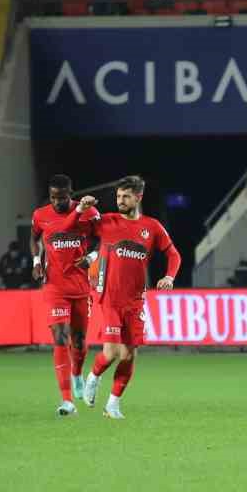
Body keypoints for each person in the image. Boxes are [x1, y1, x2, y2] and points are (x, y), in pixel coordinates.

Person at [76, 176, 180, 419]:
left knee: (129, 354)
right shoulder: (107, 221)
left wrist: (170, 277)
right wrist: (82, 208)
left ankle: (112, 405)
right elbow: (78, 226)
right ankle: (93, 376)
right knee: (111, 352)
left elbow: (174, 255)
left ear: (138, 197)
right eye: (118, 196)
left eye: (125, 196)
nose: (120, 200)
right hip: (109, 296)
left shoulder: (152, 227)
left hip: (135, 300)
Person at [30, 175, 98, 416]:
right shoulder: (40, 215)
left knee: (79, 344)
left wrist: (90, 258)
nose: (57, 202)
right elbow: (34, 238)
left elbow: (103, 238)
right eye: (53, 198)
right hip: (54, 287)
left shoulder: (89, 213)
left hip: (80, 287)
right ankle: (67, 400)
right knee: (60, 338)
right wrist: (37, 259)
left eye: (62, 197)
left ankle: (77, 373)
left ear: (71, 193)